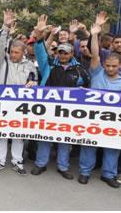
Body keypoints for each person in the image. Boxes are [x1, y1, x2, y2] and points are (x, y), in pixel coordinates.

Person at [32, 14, 91, 180]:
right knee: (44, 137)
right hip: (47, 110)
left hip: (68, 112)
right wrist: (39, 33)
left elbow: (87, 90)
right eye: (60, 52)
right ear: (56, 53)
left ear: (72, 53)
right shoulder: (48, 66)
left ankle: (63, 166)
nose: (63, 55)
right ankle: (40, 164)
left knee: (64, 139)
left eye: (66, 53)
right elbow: (39, 49)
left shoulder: (80, 70)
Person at [78, 17, 121, 188]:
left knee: (112, 148)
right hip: (92, 118)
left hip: (113, 123)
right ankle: (85, 172)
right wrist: (94, 34)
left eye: (114, 66)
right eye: (108, 65)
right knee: (88, 146)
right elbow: (95, 53)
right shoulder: (97, 72)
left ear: (120, 66)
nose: (110, 68)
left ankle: (108, 174)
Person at [0, 9, 38, 176]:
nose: (13, 55)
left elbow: (34, 80)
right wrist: (5, 26)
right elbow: (1, 45)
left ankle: (17, 161)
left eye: (17, 52)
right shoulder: (5, 61)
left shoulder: (30, 65)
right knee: (1, 133)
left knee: (19, 134)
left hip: (21, 105)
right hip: (4, 103)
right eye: (12, 52)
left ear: (24, 52)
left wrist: (33, 82)